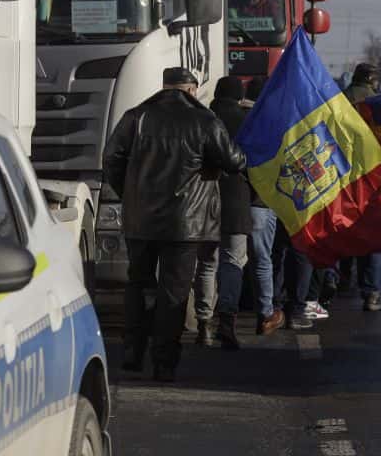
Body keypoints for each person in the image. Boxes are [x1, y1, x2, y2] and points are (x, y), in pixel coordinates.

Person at [104, 66, 246, 382]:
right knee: (174, 292)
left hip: (139, 219)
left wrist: (131, 195)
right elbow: (234, 161)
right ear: (192, 90)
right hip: (187, 224)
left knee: (137, 282)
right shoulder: (204, 121)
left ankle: (132, 349)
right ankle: (164, 362)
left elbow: (111, 159)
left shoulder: (135, 116)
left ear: (165, 86)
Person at [194, 76, 254, 349]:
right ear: (239, 96)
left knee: (207, 262)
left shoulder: (202, 118)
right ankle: (227, 322)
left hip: (203, 198)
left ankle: (204, 323)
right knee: (233, 262)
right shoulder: (247, 120)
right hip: (237, 199)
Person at [344, 62, 381, 312]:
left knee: (335, 228)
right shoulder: (380, 105)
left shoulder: (339, 100)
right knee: (371, 236)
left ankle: (332, 280)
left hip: (339, 176)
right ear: (374, 81)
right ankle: (370, 293)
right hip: (372, 177)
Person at [242, 76, 285, 335]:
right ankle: (266, 312)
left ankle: (223, 313)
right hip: (262, 201)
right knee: (262, 259)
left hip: (232, 200)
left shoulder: (234, 121)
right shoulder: (273, 124)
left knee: (229, 260)